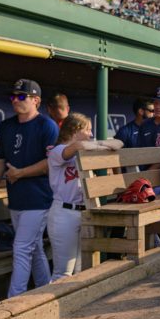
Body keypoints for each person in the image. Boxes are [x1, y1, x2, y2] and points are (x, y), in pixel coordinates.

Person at [0, 79, 59, 297]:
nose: (15, 100)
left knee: (22, 247)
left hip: (40, 197)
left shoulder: (47, 126)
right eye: (13, 96)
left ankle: (15, 299)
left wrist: (20, 173)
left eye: (21, 96)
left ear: (36, 100)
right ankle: (45, 291)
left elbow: (50, 163)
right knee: (34, 249)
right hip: (17, 199)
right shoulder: (6, 126)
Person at [46, 113, 94, 281]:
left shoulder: (83, 151)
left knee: (82, 272)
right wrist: (93, 145)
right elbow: (72, 149)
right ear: (75, 130)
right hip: (64, 212)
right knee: (62, 273)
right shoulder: (57, 151)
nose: (91, 134)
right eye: (87, 130)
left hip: (83, 211)